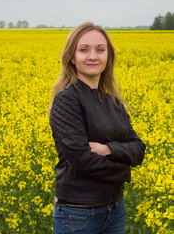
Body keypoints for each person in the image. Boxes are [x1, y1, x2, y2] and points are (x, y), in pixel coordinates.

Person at [49, 22, 146, 234]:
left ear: (108, 57)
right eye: (84, 50)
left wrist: (107, 149)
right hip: (78, 214)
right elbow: (81, 160)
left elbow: (138, 148)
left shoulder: (113, 101)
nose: (93, 56)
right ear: (72, 57)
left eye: (100, 50)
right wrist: (125, 169)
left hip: (115, 209)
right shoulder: (67, 100)